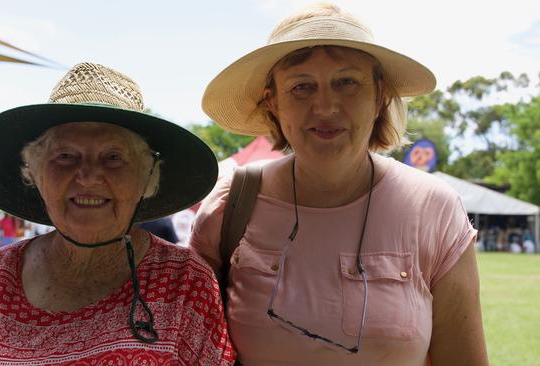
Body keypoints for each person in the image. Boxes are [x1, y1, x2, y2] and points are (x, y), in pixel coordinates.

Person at [192, 3, 488, 365]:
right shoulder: (230, 205)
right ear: (273, 103)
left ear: (379, 95)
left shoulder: (434, 209)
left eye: (346, 82)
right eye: (301, 87)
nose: (326, 106)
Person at [0, 62, 235, 365]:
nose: (88, 176)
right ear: (36, 175)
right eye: (65, 155)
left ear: (147, 177)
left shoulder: (184, 284)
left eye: (113, 156)